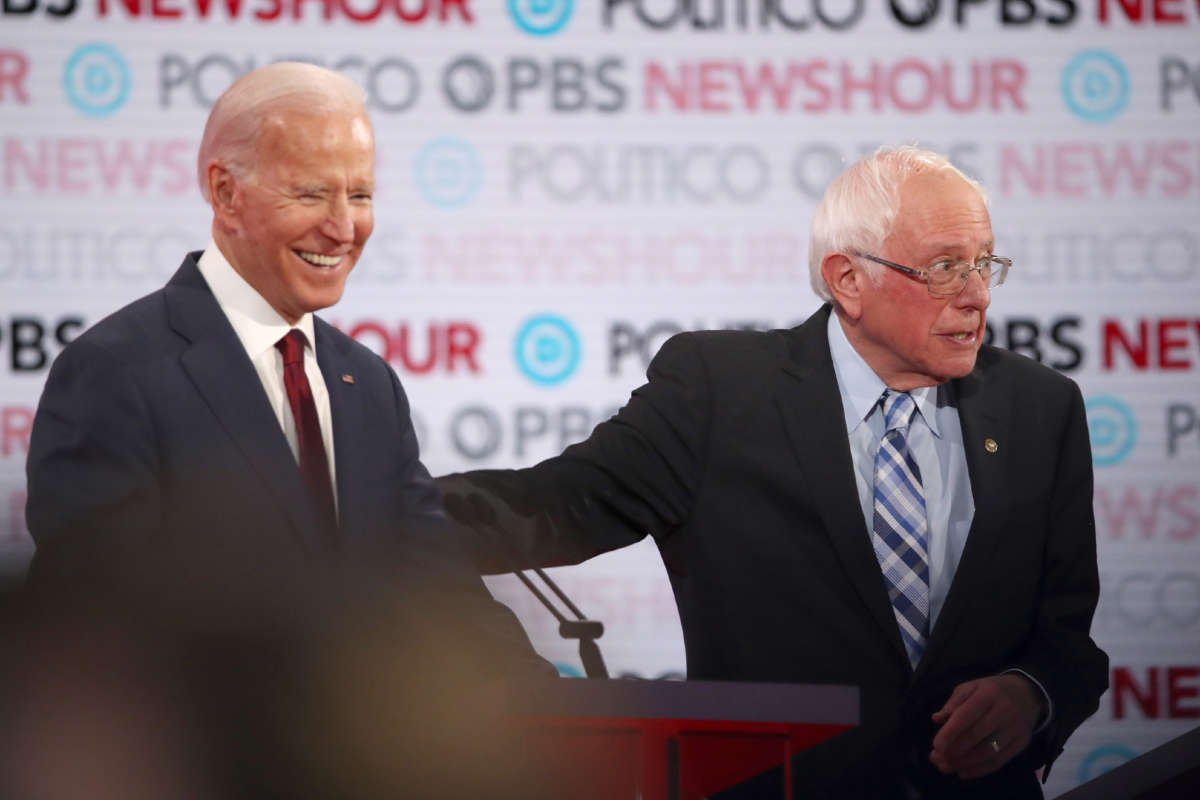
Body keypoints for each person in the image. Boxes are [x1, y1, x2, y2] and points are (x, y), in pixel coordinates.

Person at [439, 146, 1108, 798]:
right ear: (848, 279)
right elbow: (554, 506)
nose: (976, 296)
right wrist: (372, 500)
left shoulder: (1038, 409)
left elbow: (1068, 641)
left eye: (984, 263)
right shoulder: (722, 393)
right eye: (944, 267)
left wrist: (1032, 695)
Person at [25, 62, 551, 681]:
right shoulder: (118, 373)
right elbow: (93, 625)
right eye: (310, 193)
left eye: (360, 195)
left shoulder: (368, 384)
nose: (343, 227)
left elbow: (437, 586)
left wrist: (558, 715)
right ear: (225, 194)